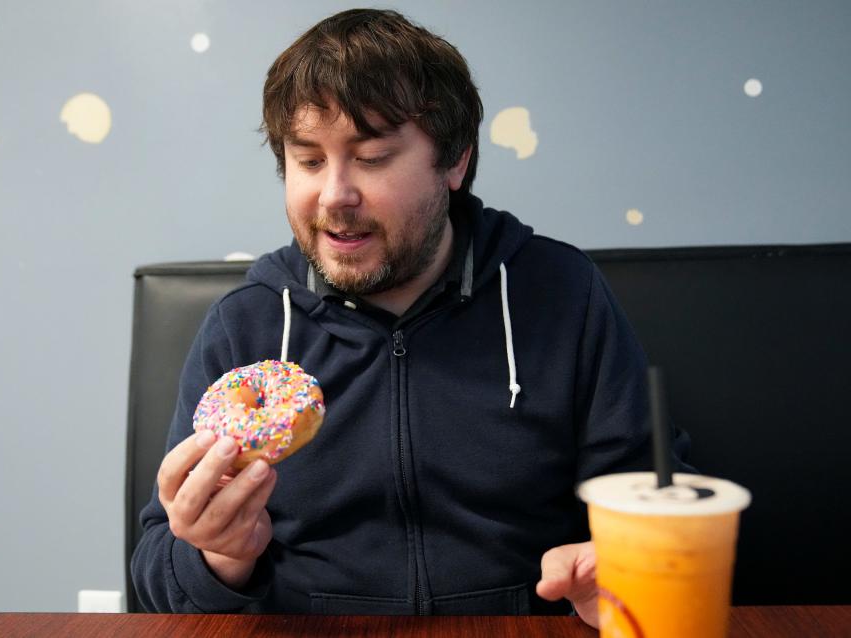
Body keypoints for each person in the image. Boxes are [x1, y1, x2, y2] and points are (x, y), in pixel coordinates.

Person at [131, 8, 689, 625]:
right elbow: (158, 576)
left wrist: (617, 566)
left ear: (454, 162)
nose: (334, 195)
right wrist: (218, 555)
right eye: (309, 160)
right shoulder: (248, 323)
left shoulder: (561, 294)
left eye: (370, 158)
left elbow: (659, 495)